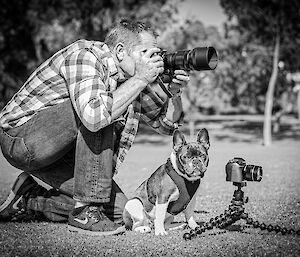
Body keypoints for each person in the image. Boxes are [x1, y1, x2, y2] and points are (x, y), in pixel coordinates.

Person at [0, 19, 189, 236]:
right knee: (102, 110)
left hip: (60, 155)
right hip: (22, 140)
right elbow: (95, 116)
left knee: (121, 213)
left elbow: (164, 125)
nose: (155, 60)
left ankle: (29, 199)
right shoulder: (85, 56)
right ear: (120, 51)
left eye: (157, 54)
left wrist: (173, 91)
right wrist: (141, 78)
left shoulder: (131, 81)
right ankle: (84, 213)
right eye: (147, 52)